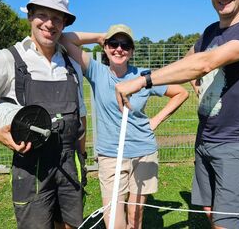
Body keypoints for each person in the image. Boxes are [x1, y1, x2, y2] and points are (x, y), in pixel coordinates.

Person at [115, 0, 239, 229]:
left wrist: (142, 80)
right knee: (210, 209)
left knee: (226, 222)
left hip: (236, 140)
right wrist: (198, 82)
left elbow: (205, 62)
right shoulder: (210, 32)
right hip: (206, 137)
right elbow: (192, 62)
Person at [0, 0, 91, 229]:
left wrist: (82, 156)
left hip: (70, 164)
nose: (49, 24)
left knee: (71, 225)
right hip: (32, 169)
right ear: (29, 15)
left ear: (64, 24)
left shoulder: (72, 65)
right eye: (42, 15)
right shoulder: (7, 60)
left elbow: (81, 118)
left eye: (57, 18)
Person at [60, 24, 189, 229]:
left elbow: (181, 93)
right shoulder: (96, 71)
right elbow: (64, 38)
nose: (119, 49)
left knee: (135, 216)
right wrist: (99, 37)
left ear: (131, 51)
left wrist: (155, 120)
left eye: (125, 45)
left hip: (143, 152)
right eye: (114, 43)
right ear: (106, 47)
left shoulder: (144, 76)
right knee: (113, 220)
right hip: (111, 155)